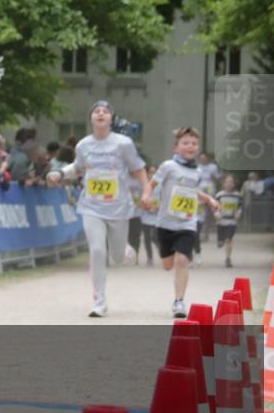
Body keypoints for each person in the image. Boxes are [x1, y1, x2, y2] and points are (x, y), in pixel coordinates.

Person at [47, 101, 147, 318]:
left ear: (111, 118)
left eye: (106, 111)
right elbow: (78, 168)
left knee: (118, 258)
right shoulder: (83, 145)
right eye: (96, 111)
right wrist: (61, 174)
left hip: (118, 207)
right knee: (98, 251)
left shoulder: (123, 144)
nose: (101, 114)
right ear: (91, 118)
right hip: (91, 206)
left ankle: (125, 248)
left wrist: (147, 192)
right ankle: (99, 301)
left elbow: (138, 170)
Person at [141, 127, 219, 318]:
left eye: (193, 143)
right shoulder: (168, 166)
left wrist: (208, 199)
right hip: (165, 223)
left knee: (182, 260)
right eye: (185, 143)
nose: (190, 146)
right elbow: (151, 184)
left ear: (198, 148)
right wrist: (146, 196)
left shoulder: (197, 172)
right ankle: (176, 291)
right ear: (176, 148)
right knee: (168, 265)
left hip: (187, 224)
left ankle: (179, 302)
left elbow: (191, 191)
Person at [215, 174, 243, 269]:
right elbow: (215, 207)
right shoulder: (219, 195)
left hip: (232, 221)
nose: (229, 184)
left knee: (229, 239)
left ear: (234, 184)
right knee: (222, 241)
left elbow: (239, 207)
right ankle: (220, 240)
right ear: (223, 184)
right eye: (227, 182)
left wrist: (238, 214)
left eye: (231, 182)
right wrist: (217, 214)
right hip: (221, 221)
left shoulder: (237, 196)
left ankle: (228, 258)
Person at [197, 152, 220, 245]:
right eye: (201, 158)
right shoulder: (197, 167)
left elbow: (217, 179)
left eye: (204, 158)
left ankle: (213, 230)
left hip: (210, 189)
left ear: (207, 159)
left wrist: (213, 177)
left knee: (211, 211)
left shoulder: (213, 167)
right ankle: (202, 233)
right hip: (201, 190)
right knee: (201, 212)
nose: (203, 160)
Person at [139, 165, 159, 267]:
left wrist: (157, 207)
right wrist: (144, 205)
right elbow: (138, 199)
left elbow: (165, 199)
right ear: (147, 173)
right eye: (151, 172)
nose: (152, 174)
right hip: (145, 216)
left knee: (155, 237)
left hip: (157, 216)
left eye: (154, 172)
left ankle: (161, 249)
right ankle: (149, 258)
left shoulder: (161, 185)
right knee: (146, 238)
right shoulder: (143, 185)